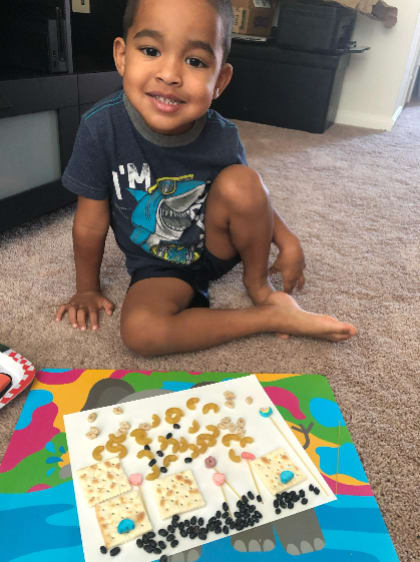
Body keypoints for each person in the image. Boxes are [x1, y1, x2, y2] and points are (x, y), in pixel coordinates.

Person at [56, 0, 357, 355]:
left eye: (195, 61)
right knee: (141, 332)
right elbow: (90, 223)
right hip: (159, 266)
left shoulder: (222, 135)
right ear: (122, 57)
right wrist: (87, 288)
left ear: (220, 81)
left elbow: (253, 200)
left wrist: (287, 241)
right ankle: (269, 317)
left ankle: (259, 287)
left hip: (217, 245)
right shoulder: (100, 128)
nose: (170, 74)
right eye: (151, 51)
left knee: (242, 180)